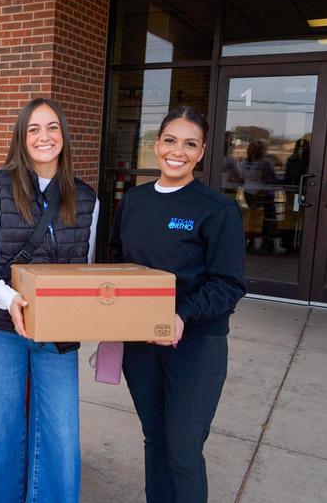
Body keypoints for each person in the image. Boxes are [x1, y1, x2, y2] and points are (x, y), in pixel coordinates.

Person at [0, 97, 99, 502]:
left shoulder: (86, 197)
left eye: (52, 127)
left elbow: (85, 268)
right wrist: (9, 299)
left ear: (64, 136)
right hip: (2, 327)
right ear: (21, 138)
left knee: (60, 435)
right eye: (34, 128)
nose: (44, 136)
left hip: (58, 335)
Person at [111, 106, 246, 503]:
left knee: (184, 450)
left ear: (201, 152)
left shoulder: (215, 209)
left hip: (196, 345)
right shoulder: (134, 201)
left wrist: (182, 314)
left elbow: (229, 283)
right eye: (170, 140)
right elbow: (121, 261)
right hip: (140, 343)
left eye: (190, 144)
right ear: (157, 145)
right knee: (155, 440)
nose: (178, 151)